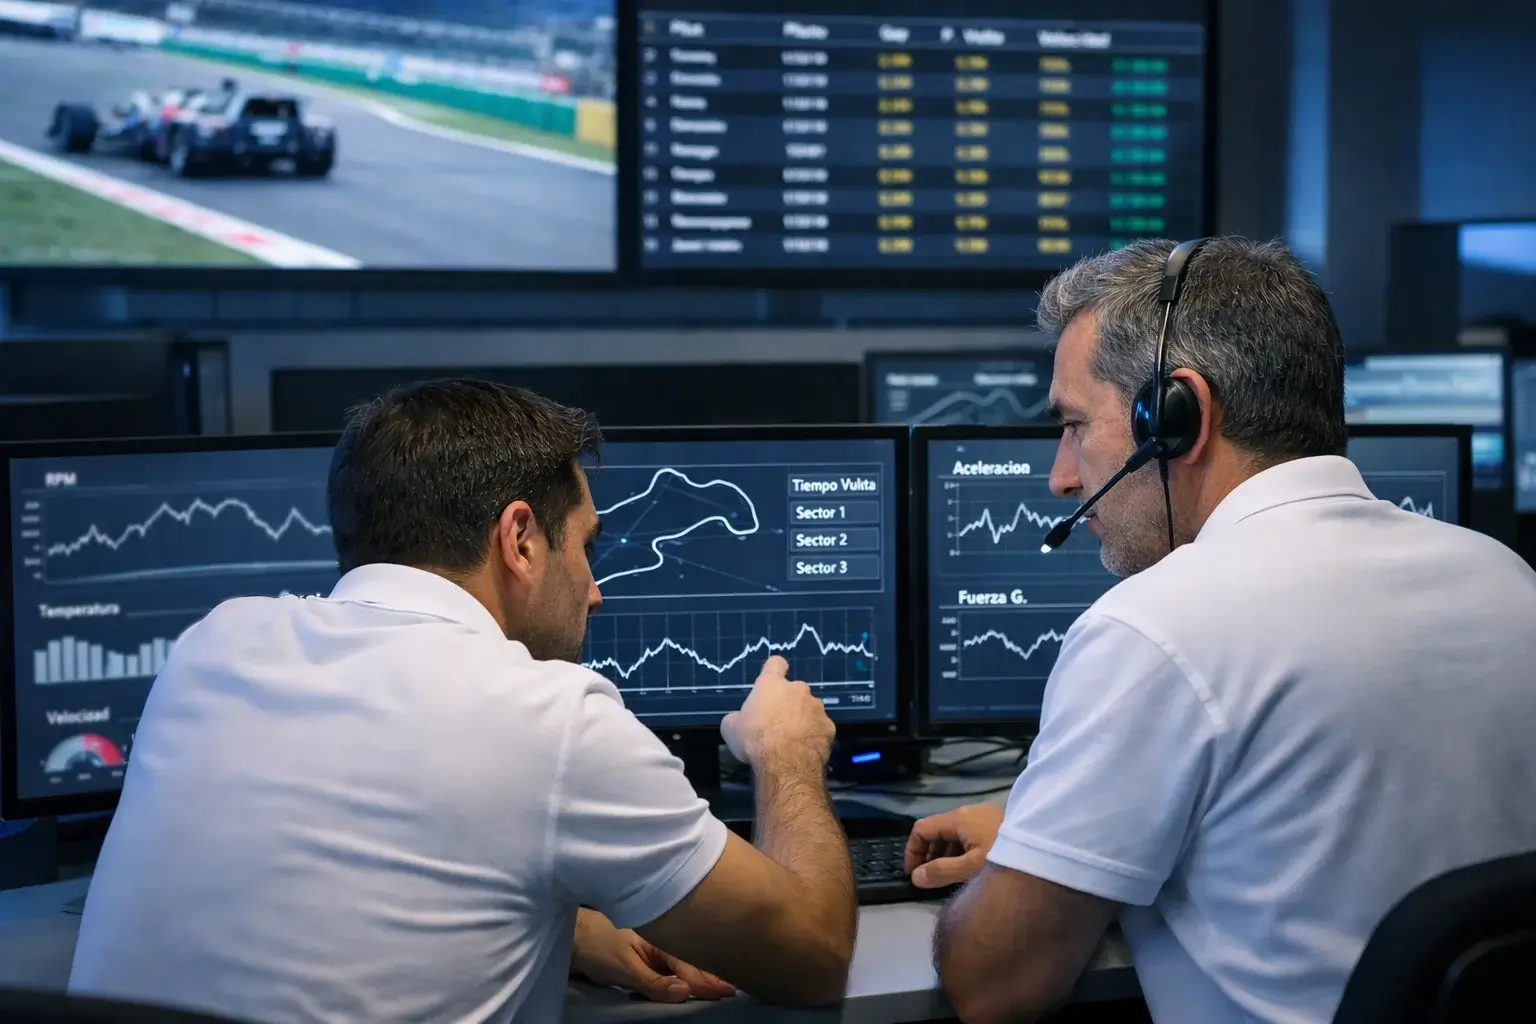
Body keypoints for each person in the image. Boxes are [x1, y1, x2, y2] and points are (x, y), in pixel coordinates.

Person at [69, 379, 857, 1022]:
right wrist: (786, 757)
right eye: (585, 545)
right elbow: (814, 958)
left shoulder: (213, 646)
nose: (595, 590)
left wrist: (568, 922)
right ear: (519, 539)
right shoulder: (551, 718)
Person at [903, 236, 1536, 1024]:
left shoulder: (1157, 627)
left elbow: (993, 987)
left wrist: (1016, 873)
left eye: (1073, 425)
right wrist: (1046, 843)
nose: (1061, 476)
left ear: (1178, 417)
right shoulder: (1507, 578)